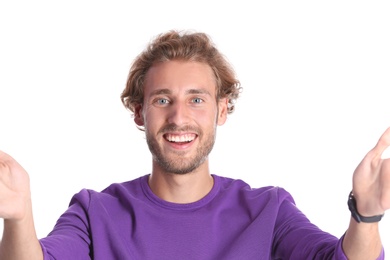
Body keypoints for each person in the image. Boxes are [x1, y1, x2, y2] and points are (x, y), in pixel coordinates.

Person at [0, 30, 388, 260]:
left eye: (197, 99)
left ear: (222, 110)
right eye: (162, 100)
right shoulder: (94, 212)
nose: (179, 118)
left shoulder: (269, 211)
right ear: (139, 113)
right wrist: (18, 217)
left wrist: (366, 217)